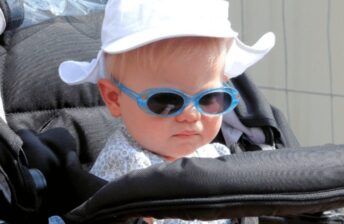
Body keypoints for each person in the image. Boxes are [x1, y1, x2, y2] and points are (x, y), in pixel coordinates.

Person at [58, 0, 275, 223]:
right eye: (166, 102)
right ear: (114, 99)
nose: (191, 115)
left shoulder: (216, 156)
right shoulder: (129, 168)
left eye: (210, 98)